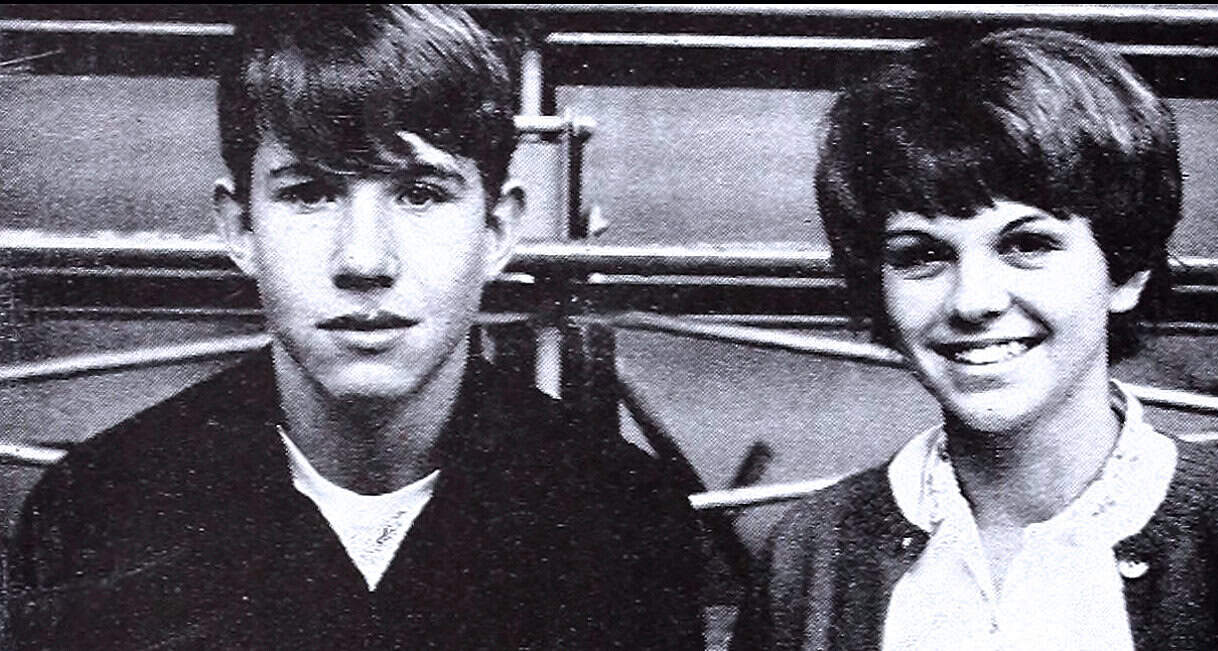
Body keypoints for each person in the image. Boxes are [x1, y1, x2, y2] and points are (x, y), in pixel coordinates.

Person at [6, 6, 701, 649]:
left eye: (420, 193)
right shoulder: (98, 506)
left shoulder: (620, 515)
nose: (365, 260)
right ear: (240, 228)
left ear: (497, 229)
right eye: (309, 192)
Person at [734, 28, 1218, 650]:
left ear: (1126, 268)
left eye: (1027, 245)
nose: (973, 300)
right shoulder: (808, 553)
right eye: (921, 255)